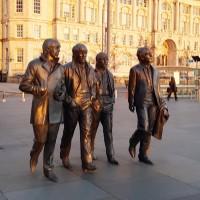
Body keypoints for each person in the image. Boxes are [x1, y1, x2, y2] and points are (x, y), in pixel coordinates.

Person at [19, 38, 63, 182]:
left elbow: (63, 86)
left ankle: (48, 168)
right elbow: (24, 85)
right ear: (48, 50)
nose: (58, 51)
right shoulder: (35, 65)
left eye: (59, 48)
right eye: (56, 48)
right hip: (41, 110)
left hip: (56, 109)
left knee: (51, 140)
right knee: (41, 140)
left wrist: (62, 93)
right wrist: (39, 89)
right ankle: (34, 154)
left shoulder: (60, 68)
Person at [57, 43, 97, 172]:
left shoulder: (91, 69)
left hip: (86, 104)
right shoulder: (66, 68)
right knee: (69, 132)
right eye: (80, 52)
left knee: (86, 133)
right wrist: (70, 101)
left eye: (85, 52)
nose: (83, 55)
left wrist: (92, 97)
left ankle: (87, 162)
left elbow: (95, 87)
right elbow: (60, 89)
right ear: (74, 54)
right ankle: (64, 155)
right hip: (72, 105)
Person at [128, 47, 165, 165]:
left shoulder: (155, 71)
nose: (151, 56)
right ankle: (133, 142)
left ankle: (143, 154)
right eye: (149, 54)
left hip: (153, 103)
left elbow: (158, 89)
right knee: (143, 127)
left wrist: (162, 102)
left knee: (149, 130)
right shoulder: (135, 70)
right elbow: (131, 88)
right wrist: (131, 102)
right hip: (141, 102)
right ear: (142, 56)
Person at [90, 52, 119, 165]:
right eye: (103, 60)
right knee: (92, 130)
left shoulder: (110, 74)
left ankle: (110, 155)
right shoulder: (92, 73)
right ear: (97, 60)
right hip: (96, 104)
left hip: (107, 105)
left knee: (108, 131)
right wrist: (94, 101)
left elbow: (112, 90)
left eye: (107, 60)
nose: (105, 62)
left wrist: (112, 102)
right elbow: (89, 89)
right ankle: (90, 150)